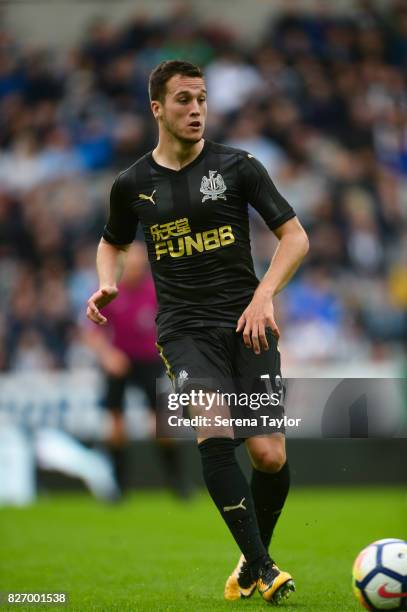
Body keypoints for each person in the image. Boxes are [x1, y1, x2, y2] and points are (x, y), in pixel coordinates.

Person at [86, 60, 309, 605]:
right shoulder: (133, 183)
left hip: (247, 323)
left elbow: (296, 238)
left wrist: (263, 296)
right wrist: (106, 283)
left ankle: (250, 558)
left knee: (270, 457)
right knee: (214, 428)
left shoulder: (239, 166)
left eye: (202, 99)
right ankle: (263, 565)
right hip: (184, 330)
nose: (196, 110)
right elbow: (111, 240)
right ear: (157, 108)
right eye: (184, 100)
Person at [84, 241, 191, 497]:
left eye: (138, 263)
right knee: (116, 425)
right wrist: (107, 355)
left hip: (150, 361)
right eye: (129, 263)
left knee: (161, 426)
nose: (134, 268)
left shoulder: (155, 291)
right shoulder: (108, 291)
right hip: (119, 362)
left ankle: (177, 483)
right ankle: (118, 486)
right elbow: (91, 333)